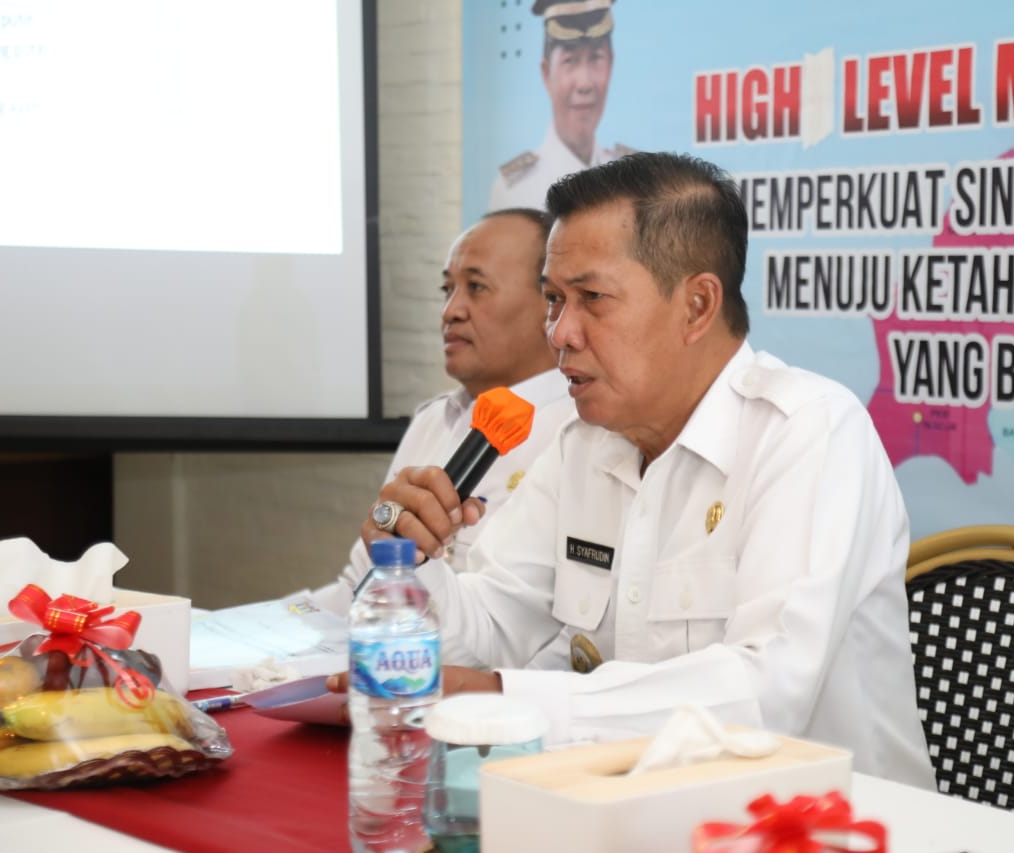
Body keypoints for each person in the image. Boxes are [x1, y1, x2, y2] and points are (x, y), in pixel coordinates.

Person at [350, 153, 936, 788]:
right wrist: (409, 568)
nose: (560, 333)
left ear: (697, 305)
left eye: (592, 299)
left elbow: (765, 694)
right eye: (553, 300)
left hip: (827, 820)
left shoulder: (808, 430)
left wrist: (508, 697)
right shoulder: (583, 446)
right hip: (630, 810)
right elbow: (492, 626)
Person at [310, 208, 574, 615]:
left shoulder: (577, 431)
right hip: (388, 638)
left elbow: (515, 627)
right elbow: (358, 585)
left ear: (549, 304)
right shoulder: (434, 419)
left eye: (476, 287)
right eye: (447, 288)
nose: (451, 310)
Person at [487, 0, 634, 212]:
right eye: (570, 60)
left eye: (596, 58)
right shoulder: (514, 191)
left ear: (610, 64)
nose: (584, 84)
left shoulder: (633, 180)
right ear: (546, 73)